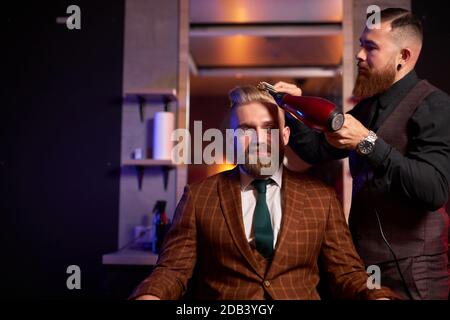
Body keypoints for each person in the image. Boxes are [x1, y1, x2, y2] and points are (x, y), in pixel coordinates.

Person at [130, 85, 397, 300]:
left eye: (269, 129)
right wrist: (150, 296)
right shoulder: (198, 197)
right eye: (247, 129)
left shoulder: (322, 198)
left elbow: (347, 274)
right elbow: (173, 270)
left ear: (284, 135)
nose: (259, 138)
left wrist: (378, 297)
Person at [275, 8, 450, 300]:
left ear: (403, 57)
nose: (358, 55)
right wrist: (292, 106)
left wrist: (367, 142)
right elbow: (316, 150)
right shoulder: (368, 109)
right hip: (363, 269)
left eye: (370, 47)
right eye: (360, 44)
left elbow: (433, 190)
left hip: (415, 277)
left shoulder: (434, 104)